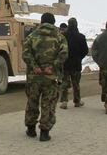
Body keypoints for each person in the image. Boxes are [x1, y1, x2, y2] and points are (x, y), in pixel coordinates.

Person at [22, 12, 68, 141]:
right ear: (53, 22)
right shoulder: (60, 37)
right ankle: (44, 132)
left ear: (41, 22)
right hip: (51, 77)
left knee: (32, 102)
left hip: (33, 77)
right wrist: (52, 67)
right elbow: (63, 54)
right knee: (48, 103)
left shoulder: (32, 36)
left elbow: (26, 54)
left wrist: (35, 66)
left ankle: (31, 129)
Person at [59, 17, 88, 109]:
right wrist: (79, 57)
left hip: (65, 63)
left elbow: (59, 49)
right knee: (76, 84)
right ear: (76, 24)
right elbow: (85, 50)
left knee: (64, 83)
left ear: (68, 24)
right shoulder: (81, 37)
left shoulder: (63, 36)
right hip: (76, 64)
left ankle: (64, 101)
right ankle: (77, 101)